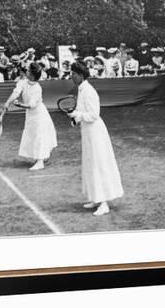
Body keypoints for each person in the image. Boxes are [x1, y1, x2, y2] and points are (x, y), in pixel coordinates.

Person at [68, 61, 124, 216]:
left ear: (80, 75)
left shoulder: (89, 91)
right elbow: (81, 111)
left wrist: (77, 115)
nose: (71, 76)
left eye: (73, 74)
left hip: (96, 133)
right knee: (90, 164)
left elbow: (94, 114)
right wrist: (75, 118)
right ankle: (96, 198)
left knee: (98, 165)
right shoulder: (81, 90)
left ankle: (104, 203)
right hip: (87, 132)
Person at [3, 62, 58, 171]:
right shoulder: (22, 82)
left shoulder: (37, 88)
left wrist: (20, 105)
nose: (26, 71)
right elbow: (16, 93)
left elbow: (31, 105)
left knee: (39, 135)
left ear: (32, 74)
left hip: (39, 114)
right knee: (32, 135)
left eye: (28, 70)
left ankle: (40, 161)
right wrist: (7, 103)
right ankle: (41, 157)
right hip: (31, 115)